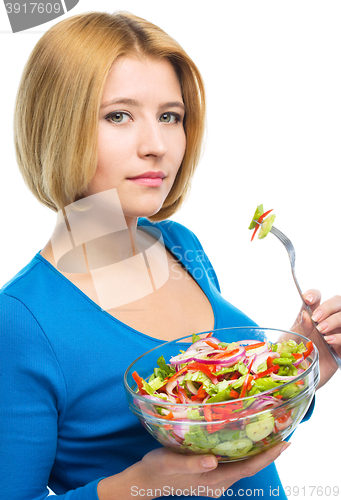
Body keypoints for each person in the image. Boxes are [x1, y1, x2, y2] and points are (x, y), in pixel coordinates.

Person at [1, 11, 341, 500]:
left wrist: (298, 373)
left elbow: (227, 429)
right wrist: (137, 486)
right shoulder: (19, 322)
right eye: (118, 115)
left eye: (170, 116)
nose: (157, 145)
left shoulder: (179, 245)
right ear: (55, 126)